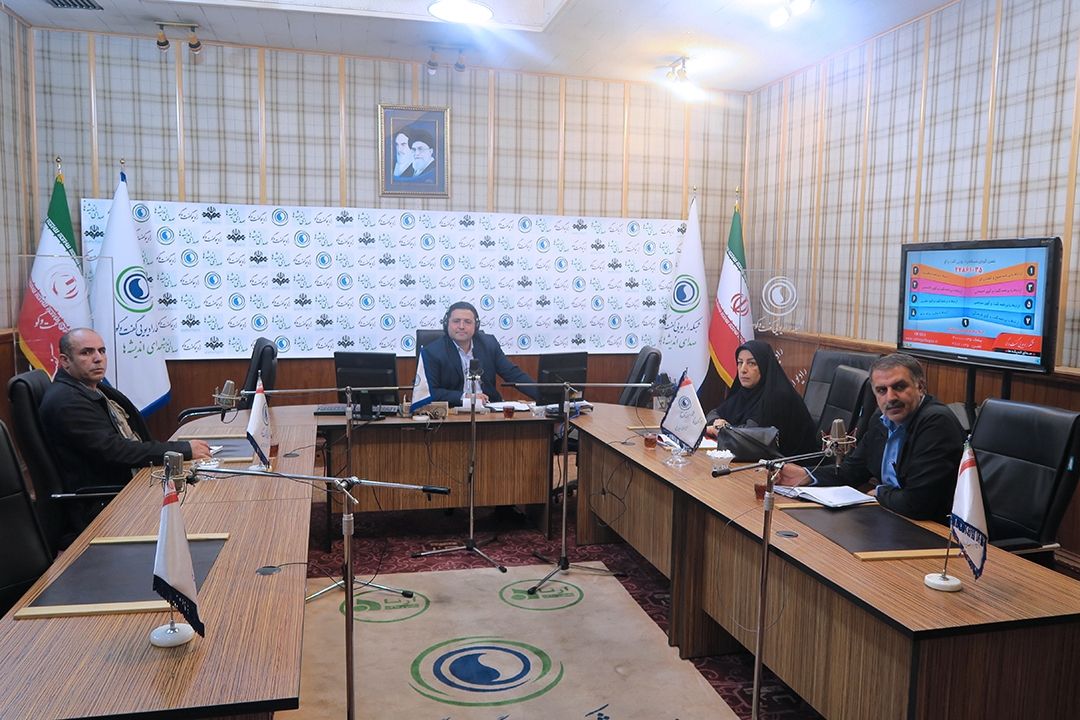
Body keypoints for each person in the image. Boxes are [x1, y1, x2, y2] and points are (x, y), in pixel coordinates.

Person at [777, 352, 965, 521]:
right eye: (882, 390)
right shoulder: (880, 419)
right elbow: (852, 471)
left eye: (899, 387)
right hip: (893, 515)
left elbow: (918, 503)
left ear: (921, 387)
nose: (890, 397)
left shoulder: (936, 423)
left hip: (934, 528)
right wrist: (806, 475)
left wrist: (880, 493)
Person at [40, 328, 212, 494]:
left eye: (102, 351)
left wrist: (179, 450)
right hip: (108, 496)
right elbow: (117, 451)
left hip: (128, 481)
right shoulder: (67, 401)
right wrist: (183, 450)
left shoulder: (92, 388)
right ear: (65, 361)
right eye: (86, 352)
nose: (98, 358)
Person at [705, 340, 819, 456]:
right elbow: (713, 414)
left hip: (792, 463)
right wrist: (718, 424)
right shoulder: (743, 392)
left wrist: (723, 429)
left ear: (764, 366)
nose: (743, 369)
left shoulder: (778, 397)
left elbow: (751, 435)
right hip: (756, 458)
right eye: (740, 362)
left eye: (751, 363)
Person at [419, 301, 538, 406]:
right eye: (456, 321)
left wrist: (543, 396)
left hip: (489, 409)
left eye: (467, 322)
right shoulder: (432, 352)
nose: (461, 326)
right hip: (453, 411)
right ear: (446, 323)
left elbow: (513, 374)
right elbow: (429, 391)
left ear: (476, 326)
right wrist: (465, 397)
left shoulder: (489, 344)